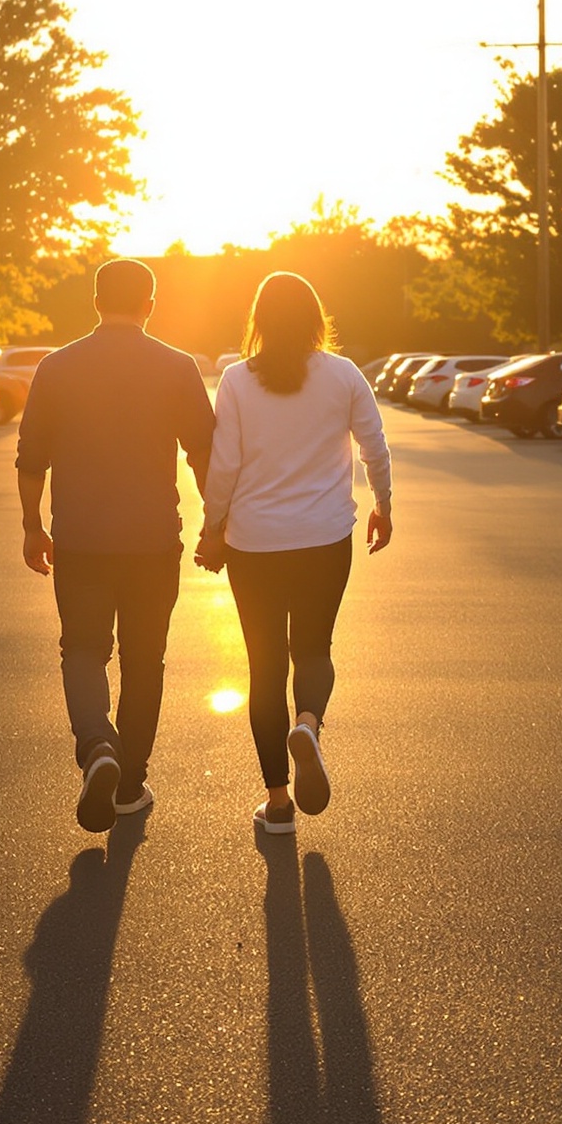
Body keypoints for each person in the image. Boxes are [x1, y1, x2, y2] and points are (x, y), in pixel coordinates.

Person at [16, 259, 215, 833]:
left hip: (80, 539)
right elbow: (203, 453)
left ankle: (97, 745)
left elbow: (31, 457)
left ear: (95, 300)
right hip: (153, 540)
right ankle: (129, 784)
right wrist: (215, 523)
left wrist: (33, 525)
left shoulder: (57, 366)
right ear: (150, 305)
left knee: (82, 650)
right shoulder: (177, 367)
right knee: (143, 660)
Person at [195, 273, 392, 835]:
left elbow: (225, 464)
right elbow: (374, 446)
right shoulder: (345, 375)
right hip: (325, 537)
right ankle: (308, 721)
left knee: (264, 667)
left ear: (259, 318)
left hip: (255, 542)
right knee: (313, 648)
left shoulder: (236, 379)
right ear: (315, 318)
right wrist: (384, 503)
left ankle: (278, 803)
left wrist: (212, 529)